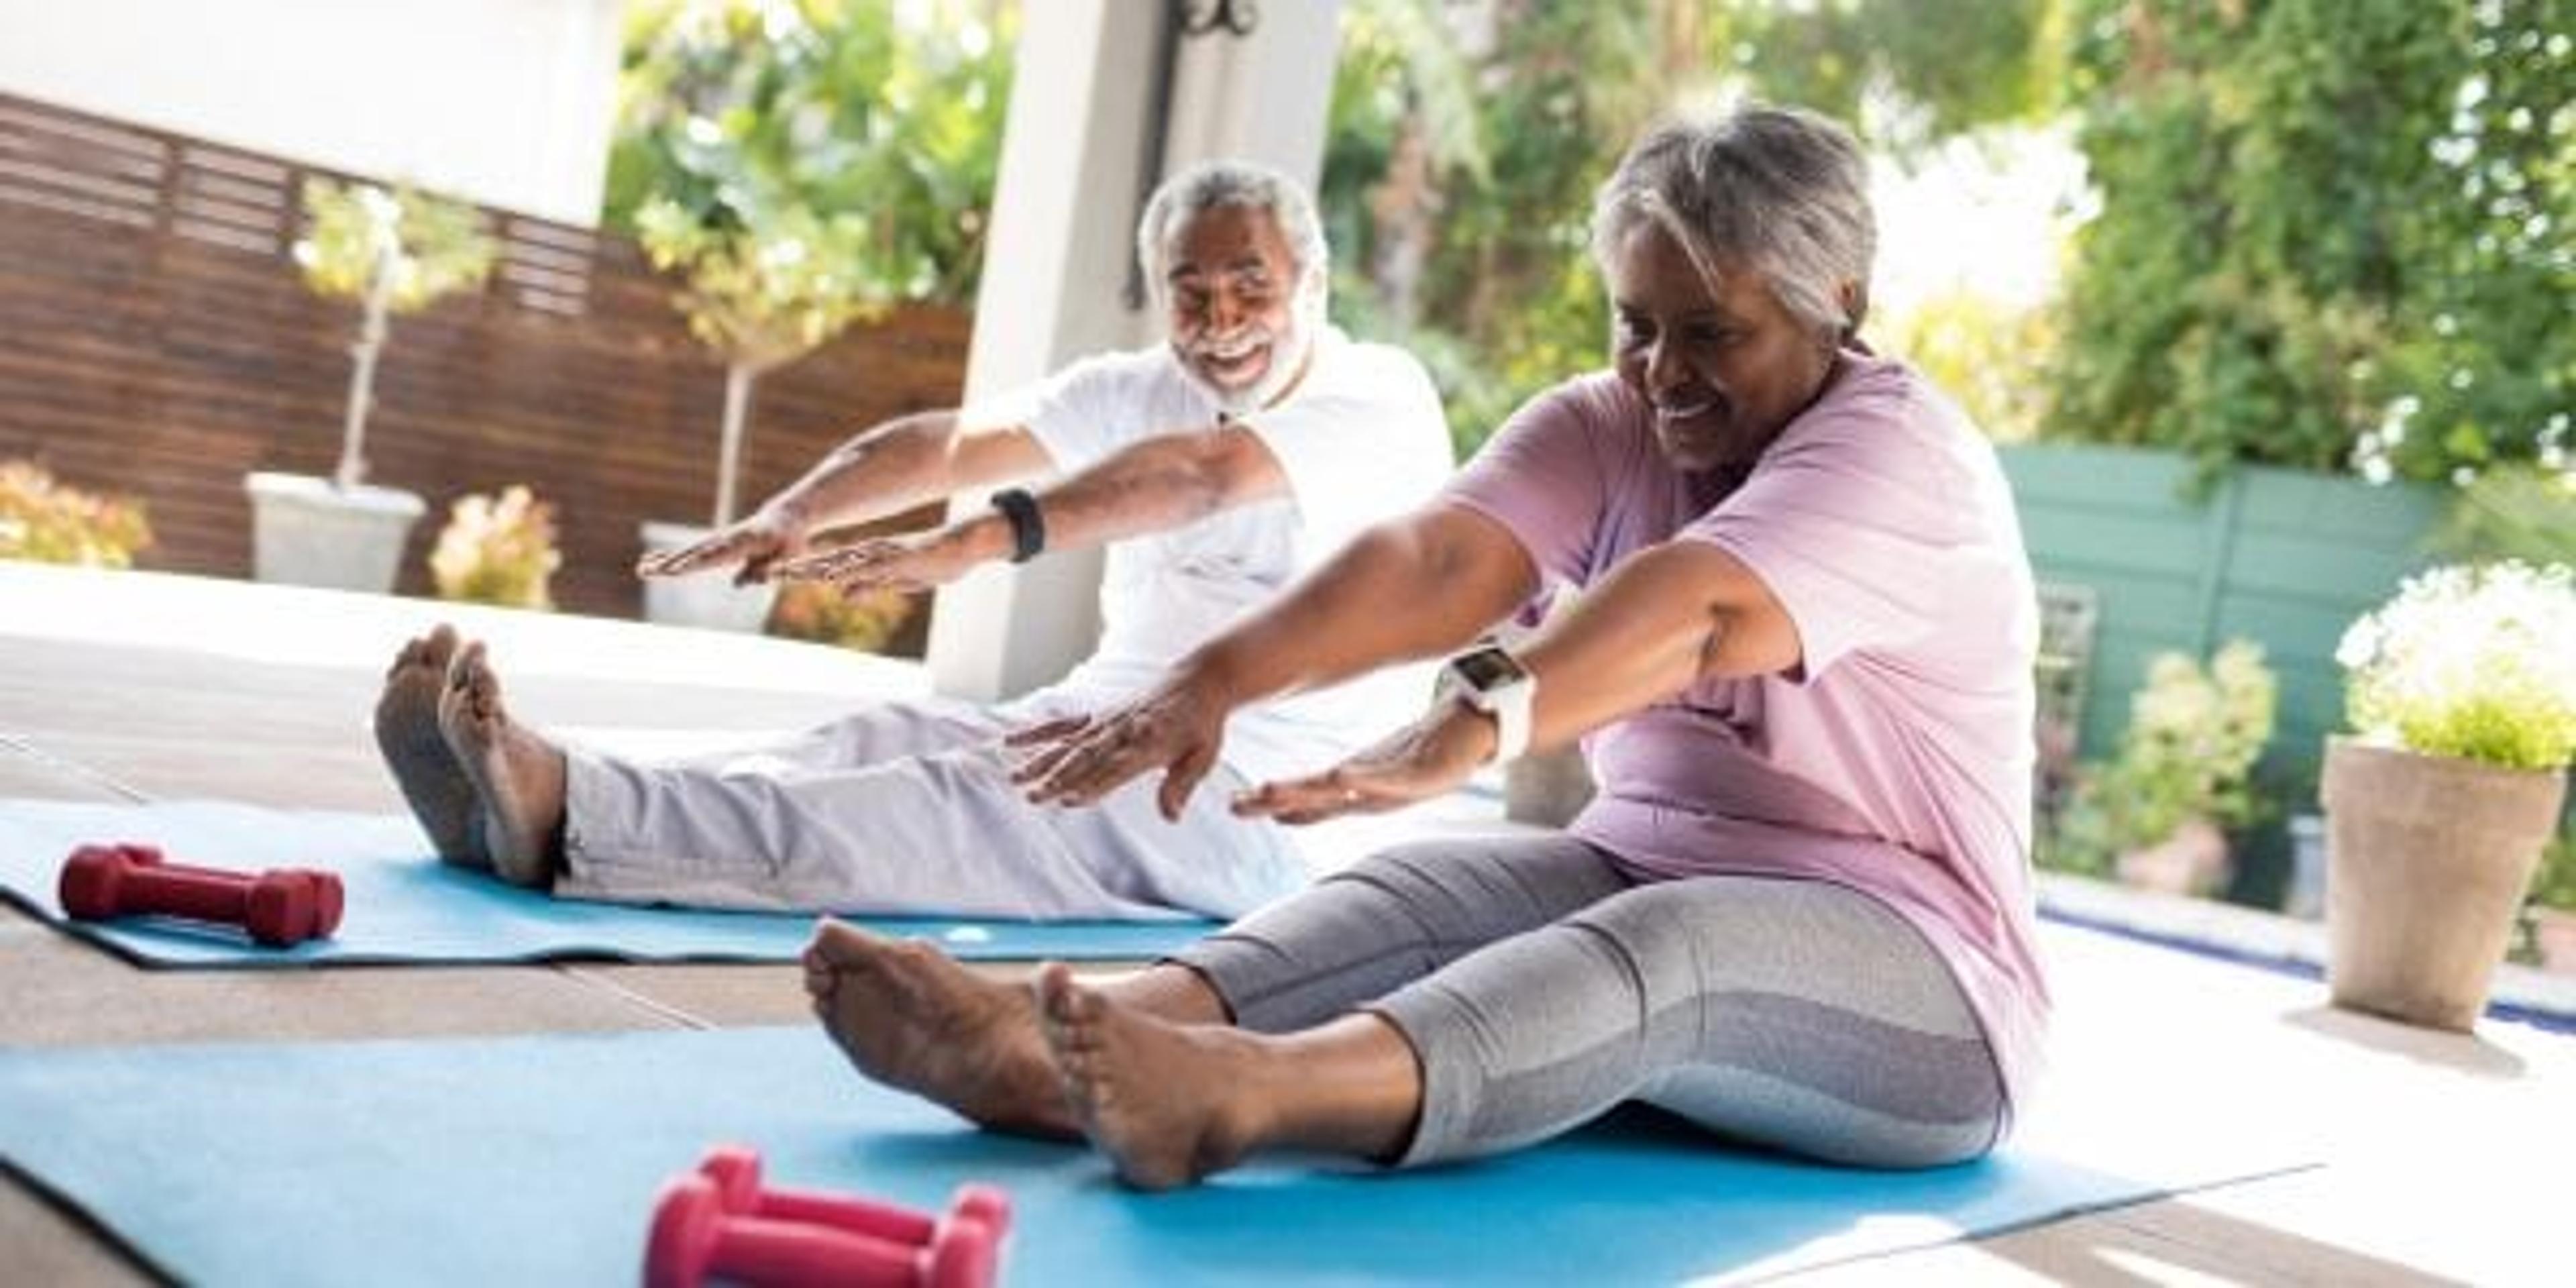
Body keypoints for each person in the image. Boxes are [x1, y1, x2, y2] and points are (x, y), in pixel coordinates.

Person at [802, 102, 2049, 1189]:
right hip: (1648, 867)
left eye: (1713, 334)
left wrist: (1473, 722)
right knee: (1419, 887)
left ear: (1838, 303)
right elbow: (1438, 563)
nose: (1663, 371)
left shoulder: (1898, 456)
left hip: (1924, 988)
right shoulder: (1612, 421)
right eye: (1636, 325)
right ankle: (1046, 1047)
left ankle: (1239, 1100)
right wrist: (1211, 684)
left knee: (1664, 951)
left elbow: (1700, 609)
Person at [370, 159, 1453, 920]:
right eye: (1193, 292)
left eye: (1252, 287)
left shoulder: (1379, 395)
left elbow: (1203, 476)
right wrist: (795, 512)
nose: (1222, 322)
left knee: (943, 807)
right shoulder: (1142, 387)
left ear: (1313, 283)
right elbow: (950, 444)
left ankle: (572, 813)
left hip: (1260, 803)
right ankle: (523, 811)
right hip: (1098, 721)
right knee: (878, 742)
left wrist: (991, 540)